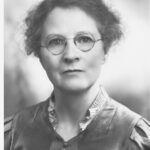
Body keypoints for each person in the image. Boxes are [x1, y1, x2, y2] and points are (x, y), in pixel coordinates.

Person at [4, 0, 150, 149]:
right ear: (39, 55)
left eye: (85, 39)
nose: (70, 55)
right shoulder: (12, 135)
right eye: (56, 42)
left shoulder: (134, 138)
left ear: (104, 51)